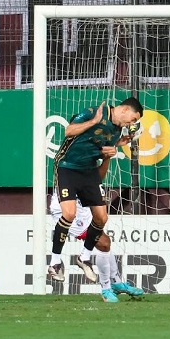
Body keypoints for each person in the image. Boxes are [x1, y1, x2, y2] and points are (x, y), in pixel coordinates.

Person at [48, 98, 144, 285]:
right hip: (67, 166)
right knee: (69, 213)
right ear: (125, 109)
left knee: (101, 218)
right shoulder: (94, 112)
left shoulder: (116, 131)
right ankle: (55, 263)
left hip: (88, 170)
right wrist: (93, 121)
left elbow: (98, 153)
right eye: (133, 119)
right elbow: (68, 131)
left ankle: (84, 257)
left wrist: (113, 148)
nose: (131, 123)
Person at [49, 152, 144, 303]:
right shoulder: (76, 153)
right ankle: (106, 289)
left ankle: (116, 282)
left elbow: (96, 177)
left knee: (105, 242)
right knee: (103, 243)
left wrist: (106, 158)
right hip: (66, 206)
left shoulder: (92, 153)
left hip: (82, 204)